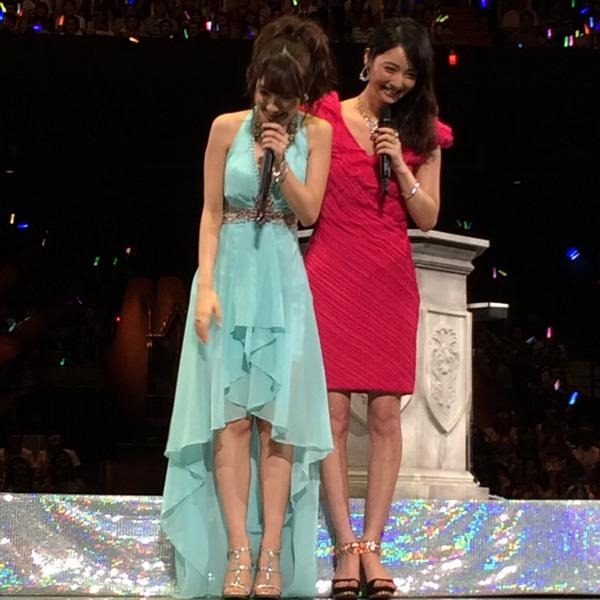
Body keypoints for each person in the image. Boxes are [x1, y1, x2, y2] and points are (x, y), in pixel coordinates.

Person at [161, 15, 335, 599]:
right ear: (254, 81)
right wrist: (206, 286)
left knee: (276, 428)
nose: (271, 108)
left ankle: (271, 555)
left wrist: (280, 161)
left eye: (284, 100)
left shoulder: (316, 134)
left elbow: (308, 212)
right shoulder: (224, 127)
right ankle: (238, 549)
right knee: (230, 422)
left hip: (282, 281)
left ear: (301, 96)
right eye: (265, 94)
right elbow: (211, 212)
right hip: (229, 279)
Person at [304, 17, 453, 599]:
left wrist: (403, 167)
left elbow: (428, 217)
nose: (397, 82)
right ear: (367, 59)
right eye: (390, 68)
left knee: (387, 414)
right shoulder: (324, 116)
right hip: (332, 271)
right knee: (333, 414)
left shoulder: (424, 135)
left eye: (409, 75)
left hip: (389, 275)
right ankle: (344, 545)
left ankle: (373, 545)